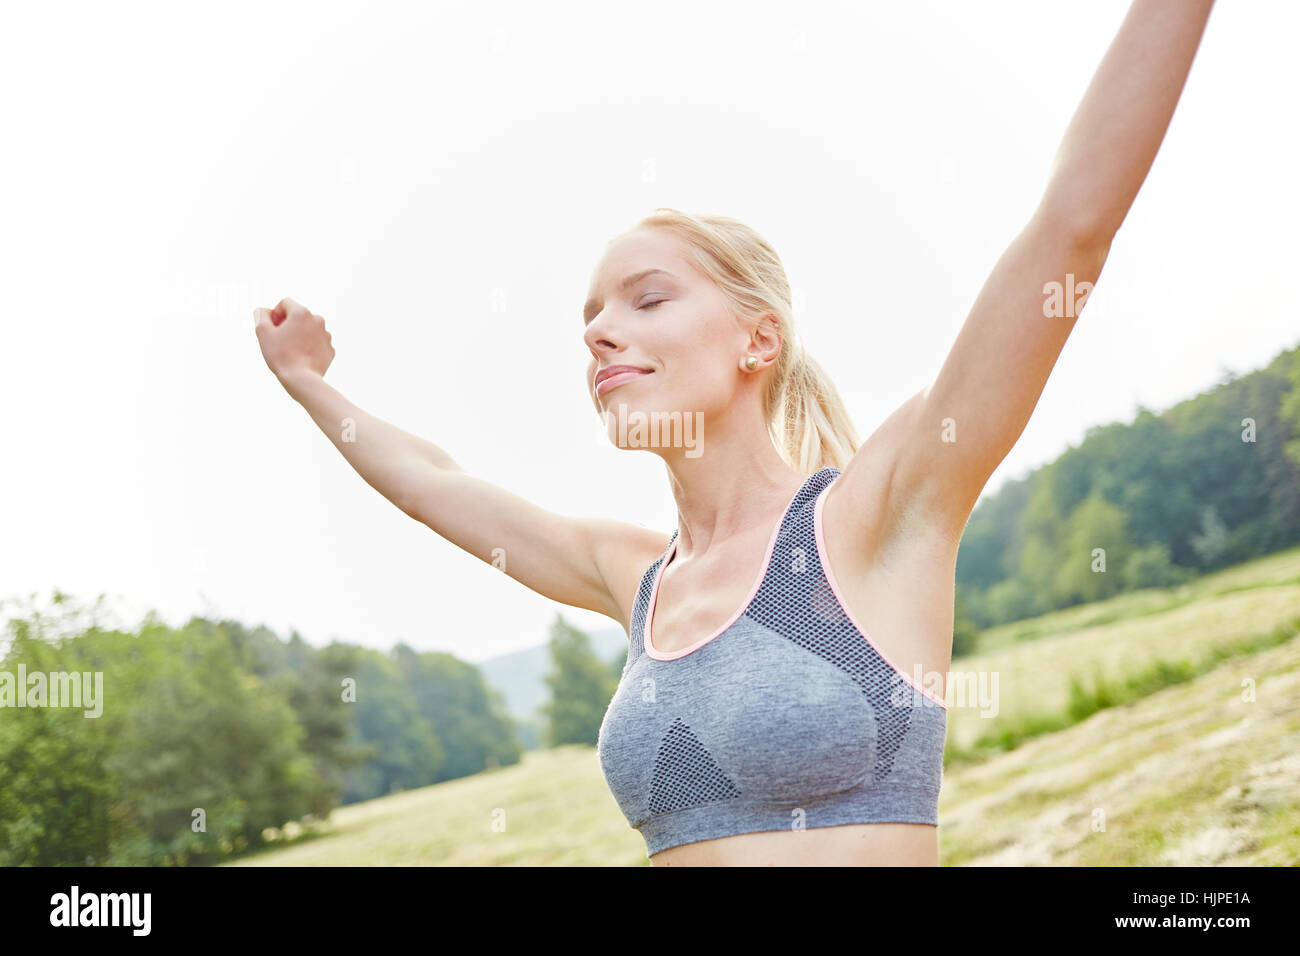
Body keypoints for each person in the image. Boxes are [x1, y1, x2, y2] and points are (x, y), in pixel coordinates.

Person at [253, 0, 1216, 866]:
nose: (598, 330)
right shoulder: (629, 576)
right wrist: (306, 386)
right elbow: (434, 483)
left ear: (759, 338)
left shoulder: (876, 519)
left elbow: (1069, 230)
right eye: (590, 315)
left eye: (648, 297)